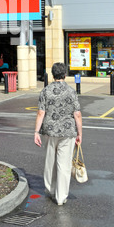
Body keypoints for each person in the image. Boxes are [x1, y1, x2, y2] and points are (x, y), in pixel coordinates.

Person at [34, 62, 82, 206]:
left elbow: (41, 112)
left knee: (50, 161)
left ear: (53, 75)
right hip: (68, 132)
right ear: (65, 75)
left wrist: (36, 131)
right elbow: (77, 114)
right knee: (64, 165)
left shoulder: (45, 91)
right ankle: (61, 196)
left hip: (49, 131)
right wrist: (79, 133)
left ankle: (50, 188)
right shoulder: (71, 91)